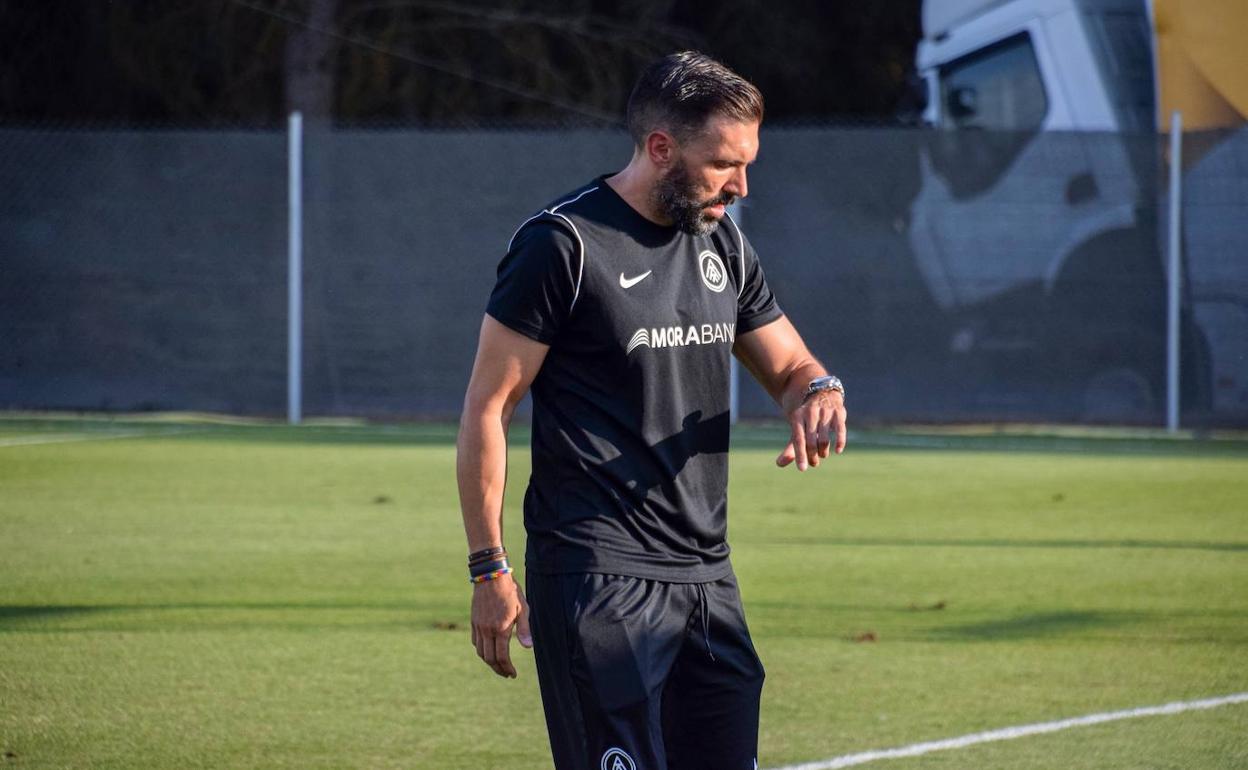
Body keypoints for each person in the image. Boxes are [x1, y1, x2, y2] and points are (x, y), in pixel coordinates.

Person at [456, 50, 847, 770]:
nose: (743, 185)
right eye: (726, 163)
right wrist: (489, 570)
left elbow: (791, 366)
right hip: (597, 577)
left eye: (749, 163)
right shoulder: (562, 246)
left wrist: (820, 392)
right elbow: (489, 406)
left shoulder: (722, 240)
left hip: (708, 576)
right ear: (661, 148)